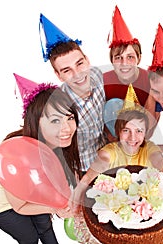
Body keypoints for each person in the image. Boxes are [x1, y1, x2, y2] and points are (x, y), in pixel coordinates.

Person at [0, 74, 83, 244]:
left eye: (70, 118)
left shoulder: (56, 143)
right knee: (29, 238)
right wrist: (56, 208)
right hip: (3, 205)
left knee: (45, 225)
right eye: (54, 120)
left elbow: (64, 171)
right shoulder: (18, 157)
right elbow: (20, 207)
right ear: (37, 122)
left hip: (32, 191)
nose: (66, 128)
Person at [70, 85, 163, 214]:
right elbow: (101, 161)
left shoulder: (149, 149)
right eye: (126, 130)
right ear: (118, 131)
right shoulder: (109, 151)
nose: (133, 137)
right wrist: (83, 184)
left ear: (145, 133)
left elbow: (162, 163)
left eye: (139, 130)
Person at [39, 13, 107, 172]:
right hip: (82, 167)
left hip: (106, 153)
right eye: (67, 70)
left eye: (80, 63)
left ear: (87, 60)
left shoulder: (96, 75)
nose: (78, 74)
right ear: (58, 75)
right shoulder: (60, 105)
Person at [103, 5, 157, 141]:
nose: (124, 63)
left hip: (139, 136)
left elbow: (152, 120)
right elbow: (102, 120)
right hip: (113, 138)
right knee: (112, 104)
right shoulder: (104, 81)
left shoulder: (149, 79)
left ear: (139, 58)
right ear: (112, 60)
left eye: (130, 57)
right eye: (118, 58)